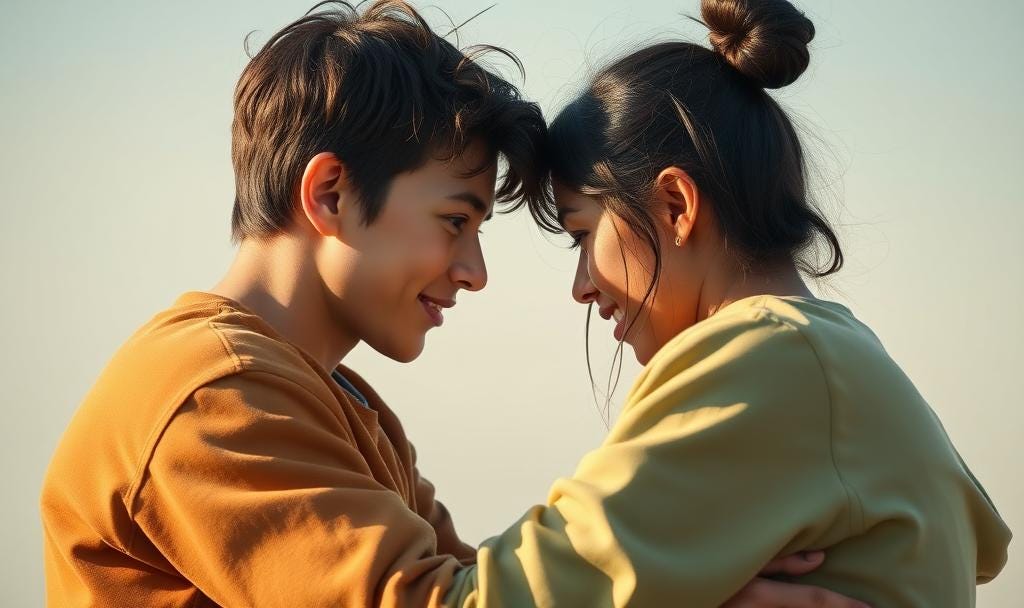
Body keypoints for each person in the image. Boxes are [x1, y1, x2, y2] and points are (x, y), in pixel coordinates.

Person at [40, 1, 872, 606]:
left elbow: (477, 588)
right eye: (453, 221)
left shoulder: (338, 401)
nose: (474, 272)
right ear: (330, 194)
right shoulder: (210, 397)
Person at [498, 0, 1010, 605]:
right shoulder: (831, 356)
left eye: (583, 234)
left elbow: (489, 599)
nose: (581, 286)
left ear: (675, 206)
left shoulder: (765, 361)